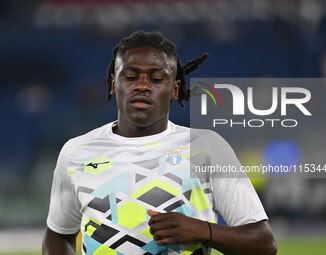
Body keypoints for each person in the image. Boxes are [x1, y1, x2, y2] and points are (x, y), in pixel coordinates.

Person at [42, 31, 277, 255]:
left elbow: (264, 244)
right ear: (114, 84)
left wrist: (203, 231)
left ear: (174, 89)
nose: (142, 86)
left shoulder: (207, 147)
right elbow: (59, 235)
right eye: (131, 76)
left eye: (156, 78)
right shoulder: (76, 152)